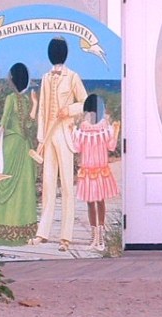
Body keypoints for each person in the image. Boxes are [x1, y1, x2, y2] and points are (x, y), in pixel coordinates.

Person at [30, 37, 86, 251]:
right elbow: (43, 108)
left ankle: (66, 237)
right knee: (47, 184)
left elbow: (85, 101)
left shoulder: (72, 77)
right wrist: (41, 137)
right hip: (48, 136)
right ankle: (42, 232)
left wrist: (69, 110)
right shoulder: (45, 78)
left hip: (65, 134)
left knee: (66, 187)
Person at [0, 63, 39, 246]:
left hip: (10, 145)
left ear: (12, 79)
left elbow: (3, 122)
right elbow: (28, 126)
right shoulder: (27, 101)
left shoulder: (11, 98)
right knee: (22, 188)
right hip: (24, 146)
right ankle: (20, 231)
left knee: (1, 181)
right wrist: (35, 104)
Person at [71, 93, 120, 252]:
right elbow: (110, 146)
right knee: (94, 202)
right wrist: (117, 130)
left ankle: (99, 237)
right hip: (92, 170)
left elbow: (77, 148)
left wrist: (73, 131)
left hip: (94, 170)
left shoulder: (96, 127)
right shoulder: (92, 127)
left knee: (96, 202)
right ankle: (96, 237)